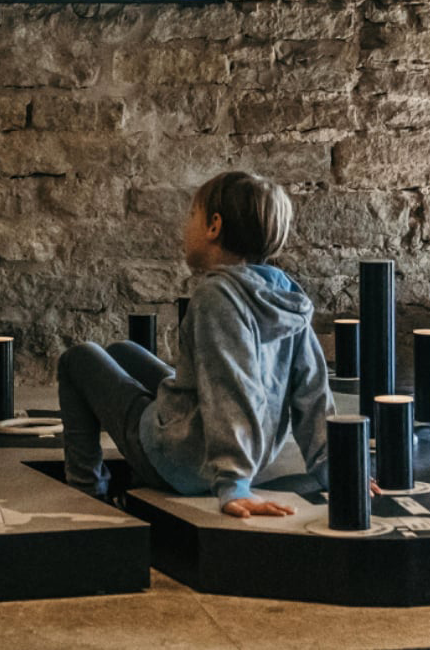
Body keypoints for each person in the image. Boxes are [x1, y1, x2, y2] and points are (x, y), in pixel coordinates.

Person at [57, 171, 334, 518]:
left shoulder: (216, 295)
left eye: (192, 215)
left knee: (77, 359)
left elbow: (230, 388)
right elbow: (312, 389)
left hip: (183, 462)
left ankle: (87, 494)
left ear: (214, 226)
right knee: (121, 352)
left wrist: (233, 483)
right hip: (251, 454)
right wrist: (333, 467)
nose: (185, 226)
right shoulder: (286, 296)